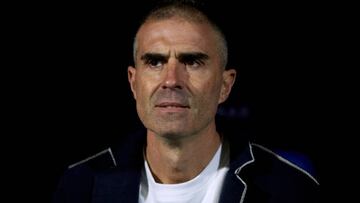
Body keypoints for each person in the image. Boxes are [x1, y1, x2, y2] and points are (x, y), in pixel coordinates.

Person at [53, 1, 319, 202]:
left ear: (225, 85)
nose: (171, 80)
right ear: (134, 82)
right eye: (155, 62)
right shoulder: (80, 186)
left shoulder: (289, 188)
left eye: (192, 61)